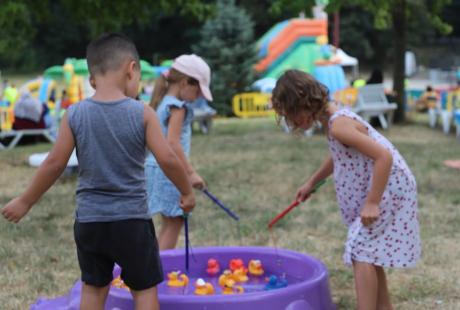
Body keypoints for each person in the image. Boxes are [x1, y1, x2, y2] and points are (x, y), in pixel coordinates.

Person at [1, 33, 196, 310]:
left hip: (91, 221)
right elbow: (167, 157)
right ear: (131, 69)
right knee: (144, 289)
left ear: (92, 80)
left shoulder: (75, 114)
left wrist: (25, 201)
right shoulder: (142, 113)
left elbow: (54, 163)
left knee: (93, 289)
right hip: (132, 221)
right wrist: (186, 191)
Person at [271, 69, 421, 310]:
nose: (293, 122)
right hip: (388, 186)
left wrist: (372, 202)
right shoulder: (334, 122)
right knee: (369, 252)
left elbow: (383, 157)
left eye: (292, 114)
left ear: (304, 101)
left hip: (388, 188)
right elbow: (339, 155)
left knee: (359, 251)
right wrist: (311, 183)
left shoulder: (339, 125)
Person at [146, 54, 212, 250]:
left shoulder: (161, 103)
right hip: (169, 172)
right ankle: (160, 272)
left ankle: (155, 268)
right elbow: (173, 144)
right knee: (174, 223)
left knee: (168, 223)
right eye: (199, 90)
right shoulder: (178, 108)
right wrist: (190, 173)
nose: (199, 96)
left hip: (154, 168)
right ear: (185, 83)